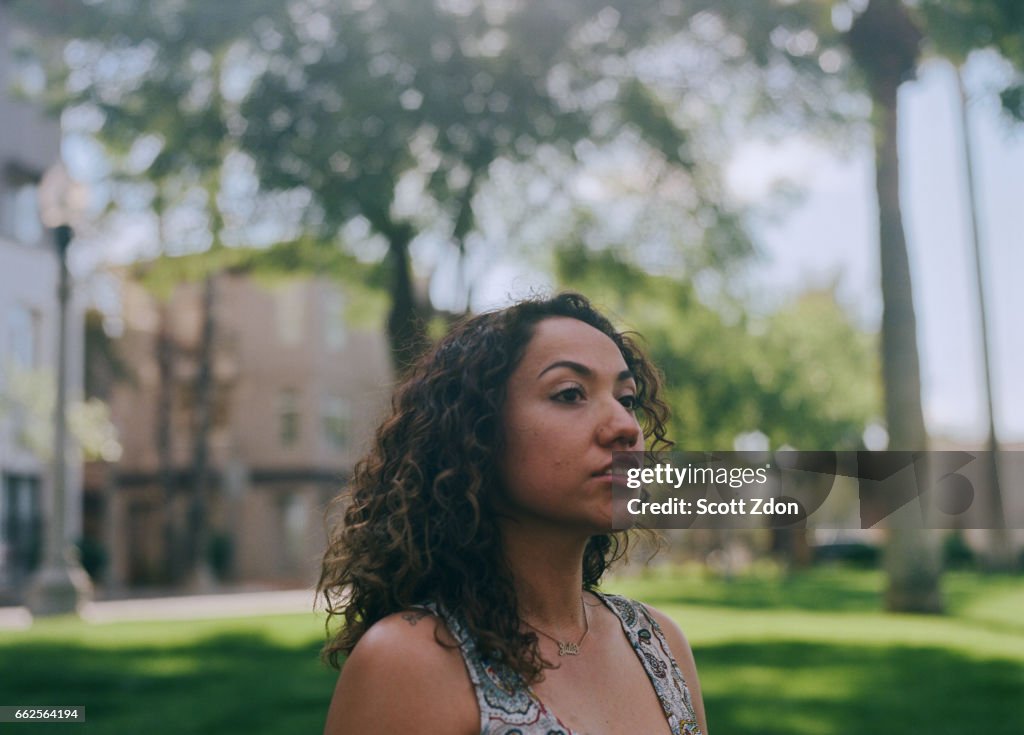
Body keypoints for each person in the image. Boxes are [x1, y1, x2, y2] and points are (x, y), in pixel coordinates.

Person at [318, 292, 708, 734]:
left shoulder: (660, 643)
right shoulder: (409, 660)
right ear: (477, 433)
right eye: (570, 394)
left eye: (627, 399)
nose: (625, 426)